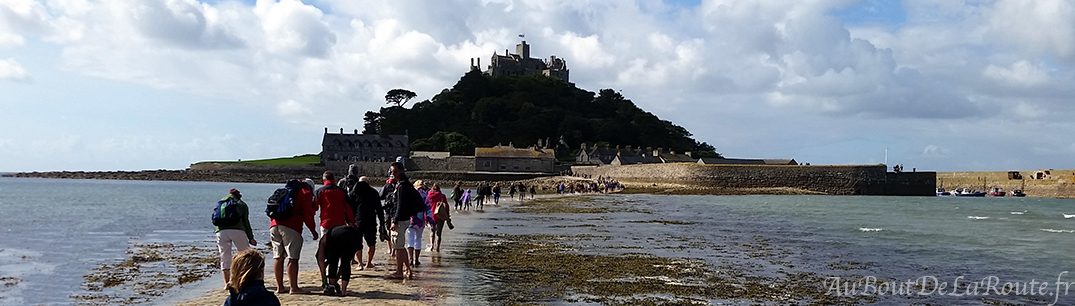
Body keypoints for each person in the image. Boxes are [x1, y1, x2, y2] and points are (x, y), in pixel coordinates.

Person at [269, 180, 318, 294]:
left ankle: (280, 287)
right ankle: (294, 288)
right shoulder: (305, 193)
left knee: (278, 257)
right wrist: (313, 231)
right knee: (293, 258)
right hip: (291, 227)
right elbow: (307, 214)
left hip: (274, 225)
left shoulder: (282, 191)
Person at [313, 171, 354, 289]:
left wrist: (311, 227)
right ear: (334, 179)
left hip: (326, 225)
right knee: (339, 254)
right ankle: (335, 278)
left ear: (324, 179)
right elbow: (348, 209)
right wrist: (352, 222)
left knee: (323, 251)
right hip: (340, 226)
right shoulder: (341, 191)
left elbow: (314, 208)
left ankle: (323, 277)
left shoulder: (320, 191)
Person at [385, 162, 424, 280]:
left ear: (401, 171)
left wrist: (394, 221)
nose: (393, 174)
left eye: (395, 171)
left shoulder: (402, 186)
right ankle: (407, 269)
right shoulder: (405, 184)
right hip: (404, 218)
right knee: (399, 246)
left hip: (400, 220)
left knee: (399, 247)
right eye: (391, 172)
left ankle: (399, 272)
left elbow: (400, 205)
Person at [216, 189, 257, 291]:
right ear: (238, 196)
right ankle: (244, 280)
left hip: (221, 232)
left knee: (225, 256)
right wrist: (251, 238)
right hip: (238, 231)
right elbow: (246, 222)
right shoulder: (241, 204)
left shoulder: (220, 203)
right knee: (245, 256)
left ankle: (227, 284)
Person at [346, 176, 384, 270]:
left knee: (357, 243)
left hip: (356, 222)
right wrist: (382, 222)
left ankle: (360, 264)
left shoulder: (353, 192)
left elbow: (348, 208)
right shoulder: (373, 192)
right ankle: (369, 262)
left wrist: (348, 221)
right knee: (371, 243)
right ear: (368, 183)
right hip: (371, 221)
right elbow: (379, 209)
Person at [322, 225, 362, 296]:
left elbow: (320, 259)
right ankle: (343, 291)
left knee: (334, 260)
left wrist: (324, 278)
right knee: (346, 262)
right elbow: (342, 266)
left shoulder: (325, 240)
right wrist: (337, 278)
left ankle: (331, 285)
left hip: (338, 237)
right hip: (355, 236)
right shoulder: (331, 232)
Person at [408, 180, 434, 266]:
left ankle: (410, 259)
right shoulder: (424, 195)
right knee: (418, 239)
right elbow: (429, 210)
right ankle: (417, 259)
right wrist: (432, 222)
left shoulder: (410, 194)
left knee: (410, 239)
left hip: (410, 219)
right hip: (420, 221)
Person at [428, 184, 451, 253]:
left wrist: (426, 217)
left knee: (432, 231)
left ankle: (431, 246)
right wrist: (447, 216)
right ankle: (437, 248)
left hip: (432, 216)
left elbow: (426, 205)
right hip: (440, 216)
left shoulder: (429, 195)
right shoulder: (442, 196)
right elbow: (446, 206)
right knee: (439, 233)